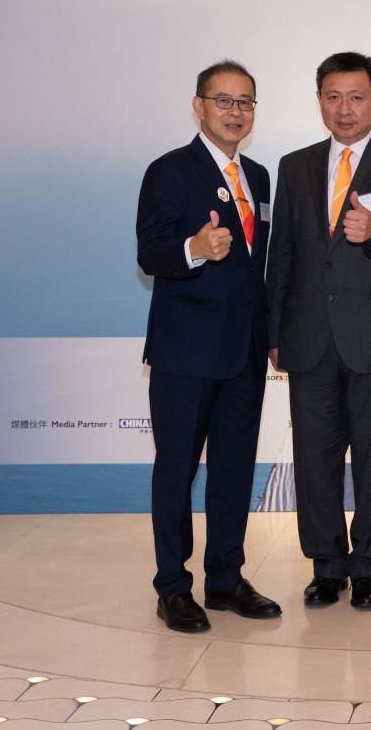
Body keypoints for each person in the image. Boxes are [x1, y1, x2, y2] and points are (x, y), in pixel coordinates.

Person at [266, 51, 371, 609]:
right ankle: (326, 565)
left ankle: (367, 566)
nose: (345, 109)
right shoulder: (294, 166)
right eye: (333, 97)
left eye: (357, 97)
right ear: (319, 100)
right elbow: (282, 253)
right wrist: (274, 330)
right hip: (309, 336)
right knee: (314, 458)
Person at [136, 59, 281, 632]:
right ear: (199, 106)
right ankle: (173, 587)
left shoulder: (259, 177)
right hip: (186, 353)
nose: (235, 112)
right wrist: (193, 248)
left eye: (245, 102)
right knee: (176, 472)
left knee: (233, 471)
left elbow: (257, 268)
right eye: (224, 100)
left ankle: (225, 579)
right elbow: (151, 252)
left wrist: (272, 336)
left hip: (244, 352)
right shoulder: (170, 171)